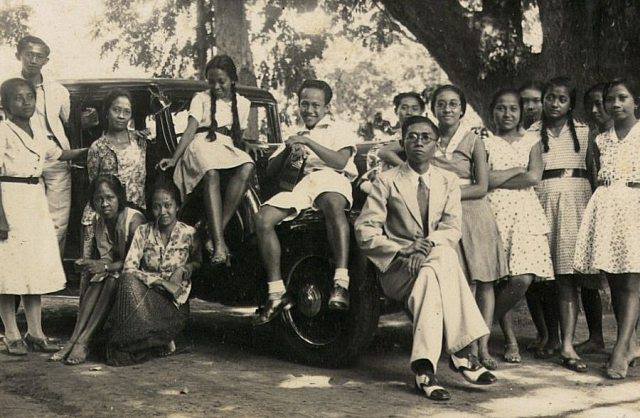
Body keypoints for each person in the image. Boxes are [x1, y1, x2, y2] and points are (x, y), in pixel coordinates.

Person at [355, 115, 496, 401]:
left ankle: (424, 369)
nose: (418, 142)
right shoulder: (386, 181)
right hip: (398, 269)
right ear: (403, 143)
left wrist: (425, 247)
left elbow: (452, 228)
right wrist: (402, 250)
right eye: (412, 137)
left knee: (432, 274)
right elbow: (364, 230)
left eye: (425, 137)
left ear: (436, 145)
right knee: (444, 258)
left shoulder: (448, 181)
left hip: (430, 266)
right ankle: (461, 353)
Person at [253, 79, 358, 324]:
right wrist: (290, 149)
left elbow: (340, 162)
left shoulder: (339, 129)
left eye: (315, 105)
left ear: (327, 108)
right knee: (262, 218)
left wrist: (309, 143)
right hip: (303, 186)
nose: (309, 110)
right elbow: (271, 170)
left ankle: (341, 282)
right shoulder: (296, 133)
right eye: (304, 104)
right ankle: (276, 292)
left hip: (332, 178)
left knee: (332, 204)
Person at [0, 78, 86, 355]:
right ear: (5, 104)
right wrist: (0, 218)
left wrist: (92, 149)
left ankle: (35, 332)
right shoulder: (2, 130)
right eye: (18, 98)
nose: (26, 102)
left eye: (30, 96)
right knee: (8, 270)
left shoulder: (37, 130)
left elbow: (59, 154)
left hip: (34, 201)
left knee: (32, 268)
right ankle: (11, 333)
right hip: (9, 199)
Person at [158, 55, 255, 266]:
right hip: (201, 143)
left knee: (248, 165)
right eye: (211, 82)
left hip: (225, 146)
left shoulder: (243, 103)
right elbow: (190, 130)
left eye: (221, 81)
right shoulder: (200, 98)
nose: (216, 86)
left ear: (233, 80)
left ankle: (213, 231)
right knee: (211, 171)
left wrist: (248, 145)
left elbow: (238, 136)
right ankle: (219, 244)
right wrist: (174, 158)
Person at [574, 78, 640, 379]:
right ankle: (631, 344)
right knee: (614, 280)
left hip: (635, 207)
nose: (615, 104)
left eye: (622, 98)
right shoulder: (602, 139)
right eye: (610, 99)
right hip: (608, 210)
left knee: (631, 281)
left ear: (635, 101)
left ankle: (620, 349)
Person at [484, 88, 554, 364]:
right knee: (499, 278)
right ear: (492, 111)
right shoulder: (485, 141)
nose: (507, 113)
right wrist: (516, 170)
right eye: (501, 108)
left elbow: (534, 177)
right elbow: (484, 180)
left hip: (525, 212)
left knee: (522, 278)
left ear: (521, 111)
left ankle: (477, 327)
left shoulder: (532, 141)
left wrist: (499, 177)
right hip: (493, 211)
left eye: (513, 108)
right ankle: (510, 340)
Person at [50, 175, 145, 365]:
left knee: (110, 280)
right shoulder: (99, 221)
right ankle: (73, 340)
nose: (104, 204)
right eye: (99, 199)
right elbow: (106, 257)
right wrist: (91, 263)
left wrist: (105, 266)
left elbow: (135, 262)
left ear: (119, 197)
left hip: (140, 275)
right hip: (119, 271)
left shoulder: (134, 220)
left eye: (110, 198)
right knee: (98, 279)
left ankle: (84, 341)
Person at [105, 181, 201, 366]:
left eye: (168, 205)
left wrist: (184, 269)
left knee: (119, 348)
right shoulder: (143, 231)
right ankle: (156, 341)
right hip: (145, 300)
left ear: (177, 206)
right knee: (127, 280)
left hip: (175, 304)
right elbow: (129, 267)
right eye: (157, 207)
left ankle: (148, 340)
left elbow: (198, 262)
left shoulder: (189, 233)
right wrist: (160, 282)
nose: (163, 212)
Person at [533, 77, 592, 371]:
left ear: (570, 104)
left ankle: (568, 344)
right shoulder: (531, 133)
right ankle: (551, 337)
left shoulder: (584, 131)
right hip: (541, 201)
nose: (554, 104)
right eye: (550, 97)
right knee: (545, 276)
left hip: (575, 203)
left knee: (567, 276)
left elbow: (593, 170)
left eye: (562, 99)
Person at [15, 35, 73, 253]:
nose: (33, 60)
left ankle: (52, 267)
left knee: (58, 218)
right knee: (27, 214)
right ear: (19, 55)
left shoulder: (59, 91)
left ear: (46, 61)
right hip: (24, 158)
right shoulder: (8, 88)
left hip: (56, 156)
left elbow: (68, 122)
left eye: (38, 56)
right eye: (29, 54)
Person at [573, 83, 614, 355]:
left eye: (600, 103)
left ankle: (628, 341)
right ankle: (596, 336)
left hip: (622, 210)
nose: (596, 110)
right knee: (588, 275)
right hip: (595, 207)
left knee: (623, 278)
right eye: (590, 105)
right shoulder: (593, 137)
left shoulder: (628, 136)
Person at [81, 89, 147, 257]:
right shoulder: (97, 147)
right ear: (107, 112)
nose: (121, 116)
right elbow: (94, 184)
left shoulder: (140, 141)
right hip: (106, 209)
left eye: (126, 112)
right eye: (116, 110)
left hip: (134, 209)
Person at [360, 92, 425, 193]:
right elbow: (376, 156)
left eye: (414, 109)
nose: (409, 112)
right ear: (396, 111)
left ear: (421, 111)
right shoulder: (388, 137)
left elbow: (384, 152)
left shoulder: (426, 134)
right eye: (404, 108)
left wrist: (411, 172)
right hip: (384, 181)